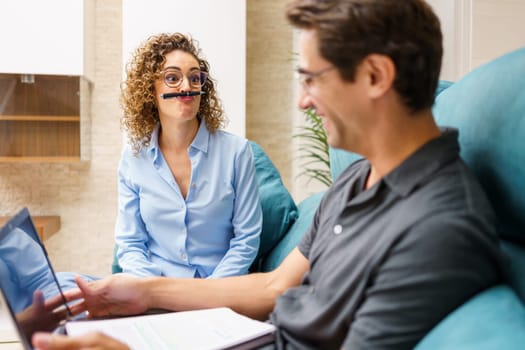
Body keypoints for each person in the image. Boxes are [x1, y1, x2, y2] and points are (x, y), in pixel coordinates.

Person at [31, 0, 508, 349]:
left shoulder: (439, 227)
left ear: (375, 76)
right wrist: (139, 294)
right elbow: (273, 288)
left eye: (312, 79)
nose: (303, 101)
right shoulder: (356, 180)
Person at [114, 33, 262, 278]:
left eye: (195, 78)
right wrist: (157, 292)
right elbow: (130, 245)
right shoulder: (133, 158)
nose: (186, 87)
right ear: (150, 90)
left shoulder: (237, 152)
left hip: (219, 289)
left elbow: (246, 241)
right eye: (172, 78)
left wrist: (206, 293)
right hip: (157, 290)